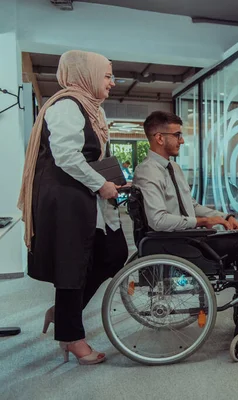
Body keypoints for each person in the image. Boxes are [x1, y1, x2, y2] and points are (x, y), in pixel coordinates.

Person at [18, 50, 128, 365]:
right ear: (86, 75)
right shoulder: (67, 105)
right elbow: (66, 156)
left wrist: (107, 182)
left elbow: (89, 156)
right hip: (66, 198)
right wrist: (100, 184)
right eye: (107, 75)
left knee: (113, 253)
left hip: (84, 197)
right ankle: (71, 337)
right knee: (72, 266)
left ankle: (65, 313)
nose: (112, 82)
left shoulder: (92, 109)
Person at [132, 111, 238, 325]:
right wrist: (204, 222)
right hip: (174, 242)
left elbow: (192, 207)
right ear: (159, 138)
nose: (182, 140)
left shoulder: (173, 167)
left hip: (189, 236)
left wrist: (224, 217)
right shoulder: (148, 171)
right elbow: (158, 220)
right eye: (177, 135)